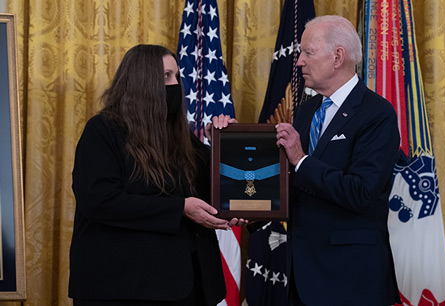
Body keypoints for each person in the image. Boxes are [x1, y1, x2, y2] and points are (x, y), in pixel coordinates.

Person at [69, 44, 245, 306]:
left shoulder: (179, 135)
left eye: (176, 76)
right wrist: (179, 208)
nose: (175, 84)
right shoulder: (104, 130)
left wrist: (223, 145)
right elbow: (99, 200)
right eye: (165, 77)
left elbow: (217, 191)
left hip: (188, 286)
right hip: (124, 289)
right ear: (142, 81)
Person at [275, 15, 401, 305]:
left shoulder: (377, 114)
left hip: (351, 280)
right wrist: (251, 205)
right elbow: (294, 184)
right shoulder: (306, 112)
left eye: (308, 52)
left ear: (338, 56)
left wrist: (301, 160)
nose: (299, 62)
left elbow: (361, 192)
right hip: (303, 277)